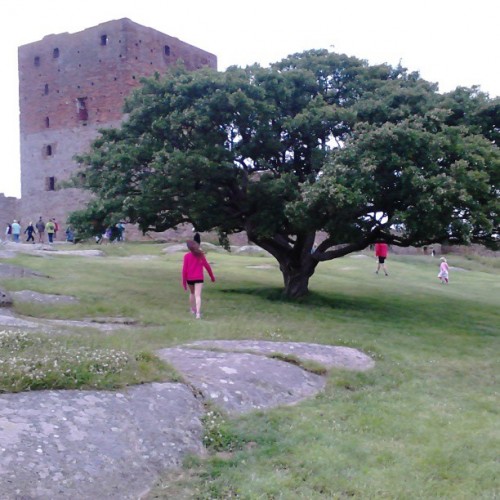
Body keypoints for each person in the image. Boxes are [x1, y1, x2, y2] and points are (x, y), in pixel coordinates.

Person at [182, 240, 215, 319]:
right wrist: (212, 277)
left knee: (192, 293)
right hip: (199, 278)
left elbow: (184, 270)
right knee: (198, 295)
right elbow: (207, 266)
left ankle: (192, 310)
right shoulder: (201, 255)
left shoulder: (186, 256)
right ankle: (198, 314)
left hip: (189, 279)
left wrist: (184, 283)